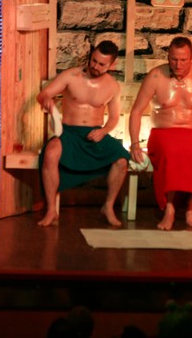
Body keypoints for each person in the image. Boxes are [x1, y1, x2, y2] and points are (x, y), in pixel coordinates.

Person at [128, 36, 192, 230]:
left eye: (183, 60)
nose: (178, 65)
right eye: (174, 59)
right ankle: (169, 208)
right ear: (168, 57)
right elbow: (136, 111)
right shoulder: (155, 76)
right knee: (171, 153)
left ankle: (190, 205)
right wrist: (135, 143)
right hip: (162, 133)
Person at [36, 41, 129, 227]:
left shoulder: (112, 86)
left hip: (95, 134)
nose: (95, 66)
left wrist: (103, 131)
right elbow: (43, 94)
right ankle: (51, 210)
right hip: (68, 132)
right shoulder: (71, 76)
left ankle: (108, 206)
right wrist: (48, 101)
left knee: (122, 160)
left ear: (112, 65)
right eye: (93, 60)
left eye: (101, 64)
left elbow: (113, 118)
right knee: (50, 153)